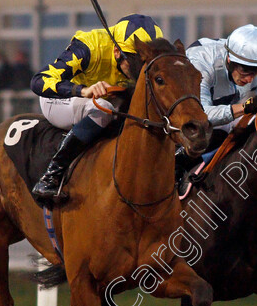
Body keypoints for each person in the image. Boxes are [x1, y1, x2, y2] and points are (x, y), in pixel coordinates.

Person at [30, 14, 163, 204]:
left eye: (145, 64)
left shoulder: (135, 60)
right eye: (134, 63)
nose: (139, 70)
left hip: (100, 104)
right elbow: (38, 81)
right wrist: (82, 90)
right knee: (103, 108)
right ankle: (51, 175)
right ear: (117, 51)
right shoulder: (88, 47)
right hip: (60, 101)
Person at [176, 24, 257, 189]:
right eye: (246, 71)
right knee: (202, 132)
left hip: (221, 108)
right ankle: (179, 168)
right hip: (185, 117)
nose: (250, 80)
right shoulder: (201, 63)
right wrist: (245, 107)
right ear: (230, 60)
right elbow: (201, 116)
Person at [9, 50, 35, 115]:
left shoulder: (28, 71)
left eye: (20, 57)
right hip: (15, 98)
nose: (18, 59)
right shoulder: (12, 70)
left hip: (25, 100)